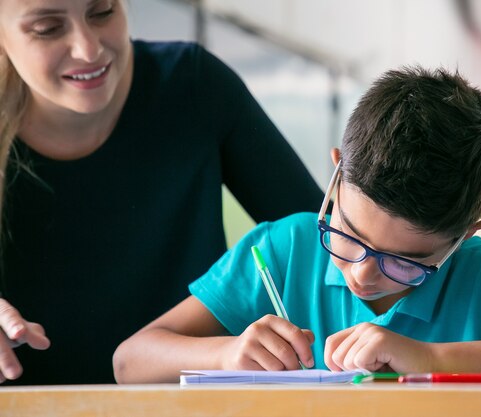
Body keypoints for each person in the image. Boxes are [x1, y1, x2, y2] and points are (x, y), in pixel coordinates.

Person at [113, 65, 481, 386]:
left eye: (404, 262)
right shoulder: (282, 251)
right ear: (336, 173)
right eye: (346, 235)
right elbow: (129, 362)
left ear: (465, 236)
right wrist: (227, 352)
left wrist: (432, 359)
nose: (361, 275)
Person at [0, 0, 325, 385]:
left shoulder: (193, 85)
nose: (88, 49)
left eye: (102, 11)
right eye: (47, 29)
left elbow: (331, 240)